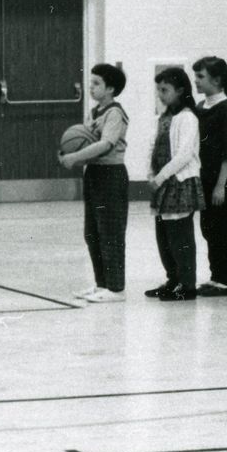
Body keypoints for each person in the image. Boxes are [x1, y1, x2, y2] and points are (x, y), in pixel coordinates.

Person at [63, 63, 132, 303]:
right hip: (93, 173)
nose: (90, 87)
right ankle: (101, 283)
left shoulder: (115, 113)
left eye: (96, 83)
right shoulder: (93, 113)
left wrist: (75, 156)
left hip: (111, 174)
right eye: (90, 82)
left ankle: (116, 288)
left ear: (110, 88)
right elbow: (84, 143)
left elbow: (105, 144)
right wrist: (69, 153)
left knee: (110, 232)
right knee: (92, 232)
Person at [143, 67, 203, 302]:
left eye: (165, 90)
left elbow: (184, 155)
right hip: (162, 182)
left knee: (180, 236)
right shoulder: (162, 117)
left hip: (179, 181)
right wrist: (150, 173)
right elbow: (153, 146)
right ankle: (173, 279)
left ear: (180, 90)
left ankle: (187, 285)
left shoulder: (188, 117)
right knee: (164, 234)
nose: (160, 94)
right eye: (158, 90)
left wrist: (160, 177)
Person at [192, 57, 227, 296]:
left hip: (221, 178)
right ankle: (216, 276)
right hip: (204, 177)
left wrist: (221, 184)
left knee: (222, 226)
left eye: (201, 76)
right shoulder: (201, 107)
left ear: (217, 80)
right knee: (208, 227)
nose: (196, 81)